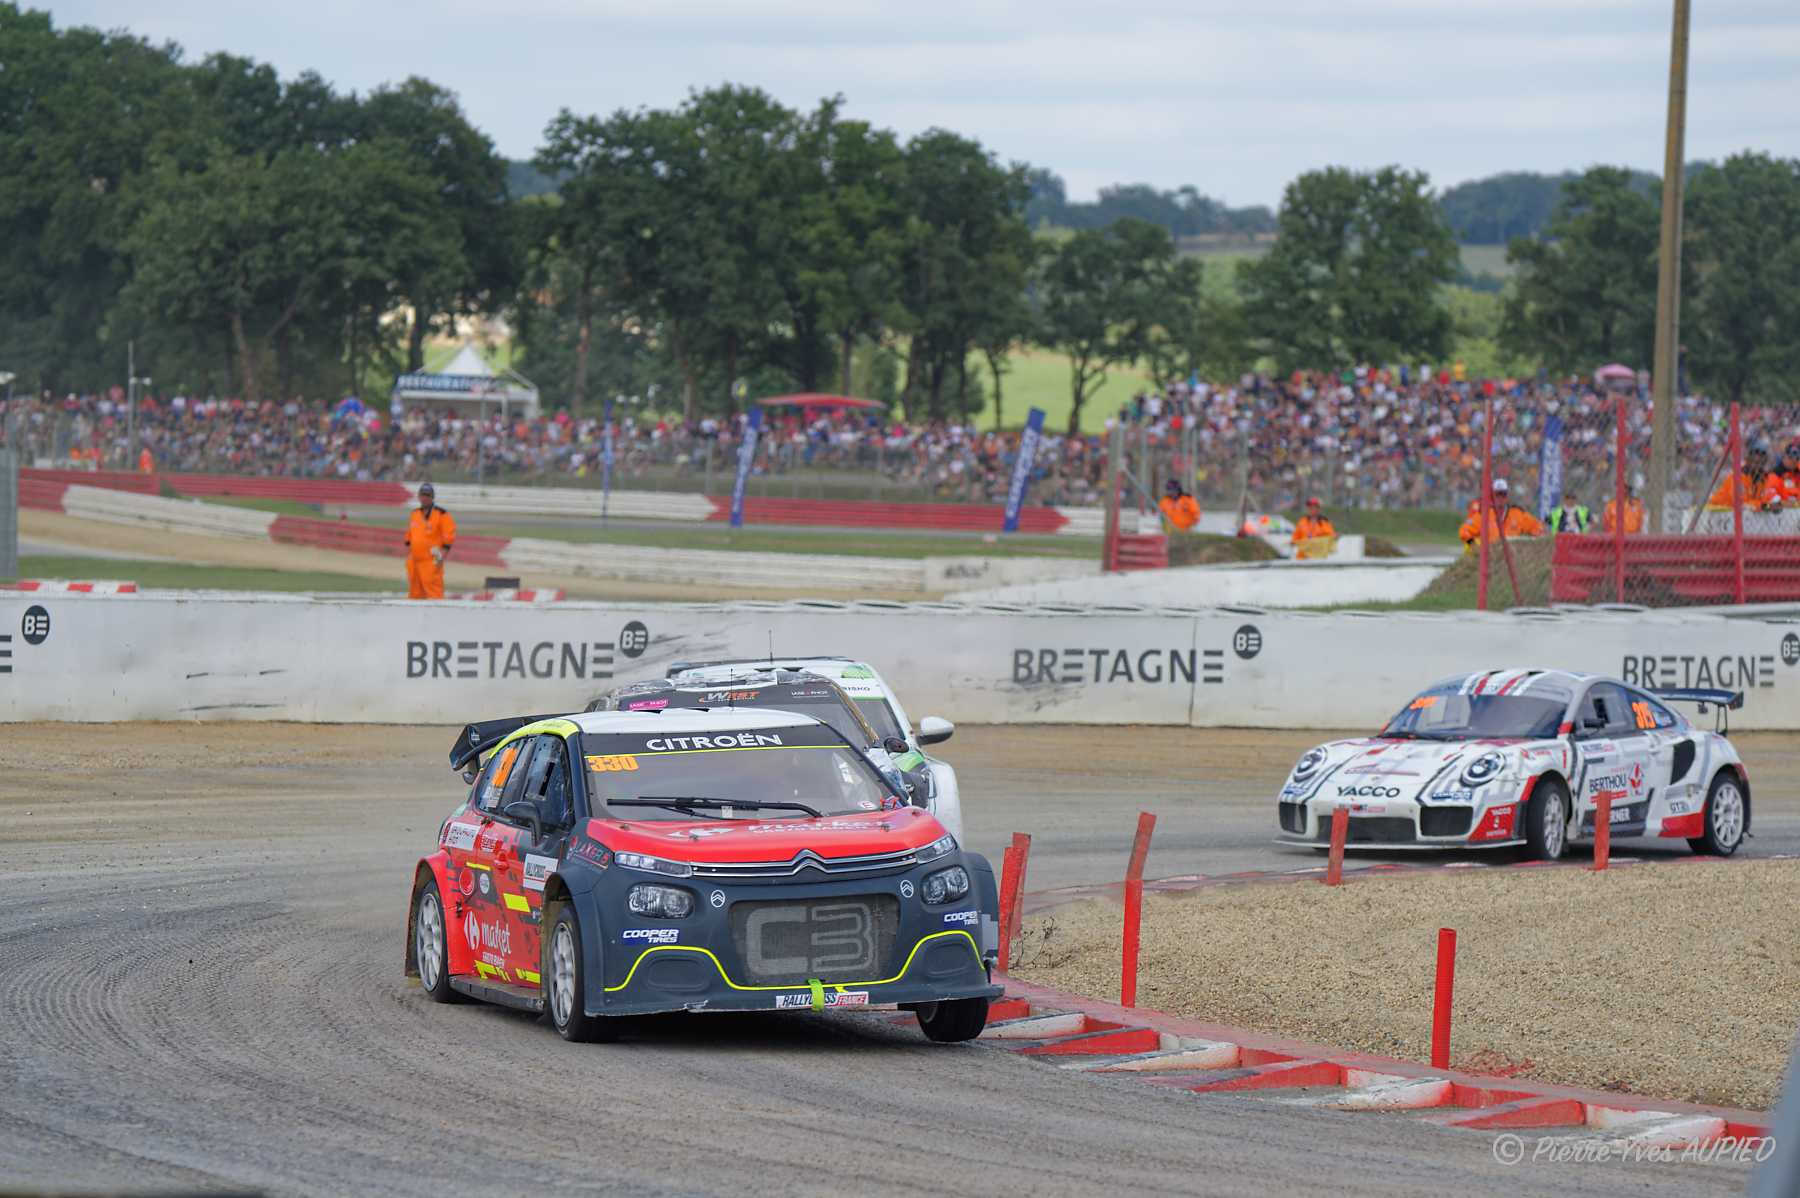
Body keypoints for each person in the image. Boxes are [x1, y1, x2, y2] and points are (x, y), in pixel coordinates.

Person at [1458, 479, 1545, 552]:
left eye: (1503, 494)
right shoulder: (1484, 514)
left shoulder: (1518, 513)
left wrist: (1530, 544)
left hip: (1513, 556)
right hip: (1490, 556)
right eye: (1497, 494)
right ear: (1492, 496)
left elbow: (1538, 528)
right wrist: (1474, 545)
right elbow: (1464, 531)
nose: (1500, 498)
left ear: (1507, 495)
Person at [404, 482, 456, 599]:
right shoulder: (415, 514)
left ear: (432, 497)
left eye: (427, 495)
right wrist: (409, 556)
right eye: (422, 495)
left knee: (434, 593)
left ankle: (437, 615)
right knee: (414, 594)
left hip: (431, 560)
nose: (424, 498)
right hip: (414, 560)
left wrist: (440, 558)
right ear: (418, 496)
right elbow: (409, 537)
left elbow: (449, 538)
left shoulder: (442, 514)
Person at [1707, 439, 1783, 511]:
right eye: (1754, 455)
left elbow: (1763, 502)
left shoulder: (1762, 478)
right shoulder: (1737, 478)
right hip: (1716, 512)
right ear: (1747, 459)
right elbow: (1744, 505)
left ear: (1765, 461)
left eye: (1761, 457)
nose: (1758, 458)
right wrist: (1766, 506)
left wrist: (1769, 505)